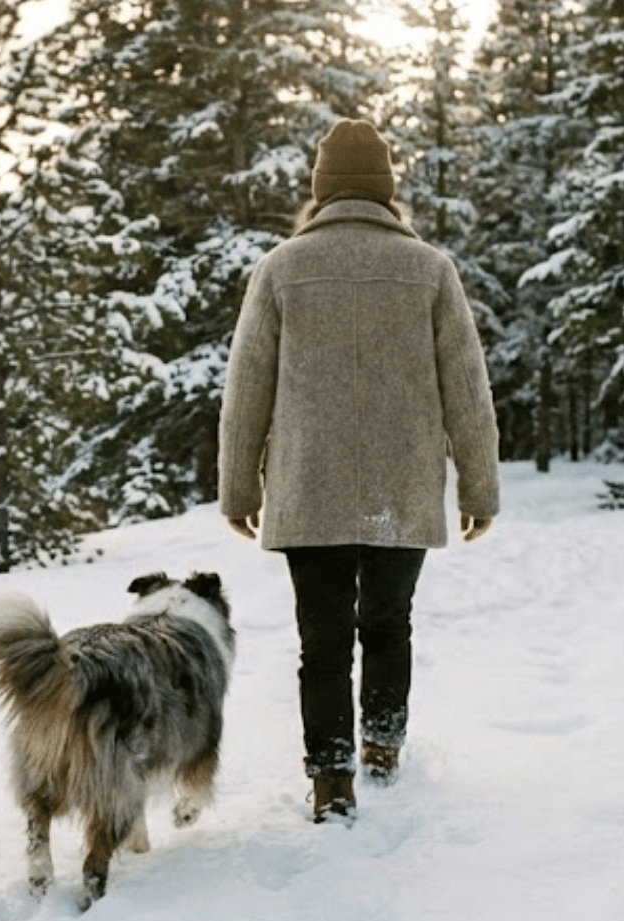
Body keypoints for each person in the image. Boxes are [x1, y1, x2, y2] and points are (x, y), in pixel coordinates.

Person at [217, 118, 501, 823]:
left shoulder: (281, 266)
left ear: (320, 191)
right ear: (387, 191)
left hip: (307, 485)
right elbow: (467, 386)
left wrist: (237, 489)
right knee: (388, 623)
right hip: (399, 487)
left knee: (322, 640)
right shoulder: (430, 268)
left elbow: (247, 386)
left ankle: (330, 780)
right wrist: (478, 488)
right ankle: (381, 745)